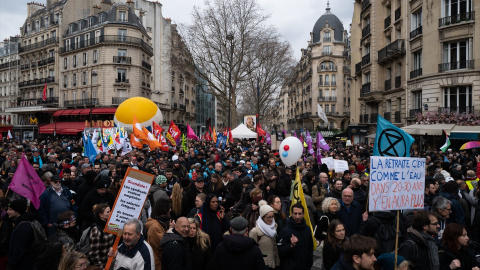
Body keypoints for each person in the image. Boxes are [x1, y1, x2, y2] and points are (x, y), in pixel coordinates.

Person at [277, 202, 314, 270]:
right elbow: (280, 252)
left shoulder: (307, 229)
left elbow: (310, 249)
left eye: (300, 214)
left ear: (303, 214)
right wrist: (290, 246)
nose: (297, 216)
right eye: (295, 214)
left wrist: (309, 264)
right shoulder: (285, 231)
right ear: (291, 213)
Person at [7, 199, 38, 270]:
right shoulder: (26, 221)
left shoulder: (22, 227)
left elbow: (18, 250)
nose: (7, 212)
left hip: (22, 265)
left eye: (10, 210)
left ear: (18, 211)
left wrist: (10, 265)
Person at [249, 204, 280, 270]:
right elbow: (250, 252)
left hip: (273, 266)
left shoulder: (274, 227)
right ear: (262, 217)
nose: (271, 219)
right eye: (269, 217)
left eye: (272, 216)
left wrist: (277, 263)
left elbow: (275, 247)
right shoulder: (255, 232)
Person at [145, 198, 173, 270]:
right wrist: (170, 230)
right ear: (164, 209)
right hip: (157, 263)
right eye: (169, 208)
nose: (170, 210)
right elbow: (163, 244)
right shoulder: (155, 226)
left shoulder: (161, 223)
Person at [89, 203, 116, 268]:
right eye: (108, 212)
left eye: (111, 210)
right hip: (102, 265)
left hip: (110, 263)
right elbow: (93, 253)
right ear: (101, 215)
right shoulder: (96, 230)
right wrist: (100, 268)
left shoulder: (110, 225)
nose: (111, 213)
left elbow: (120, 234)